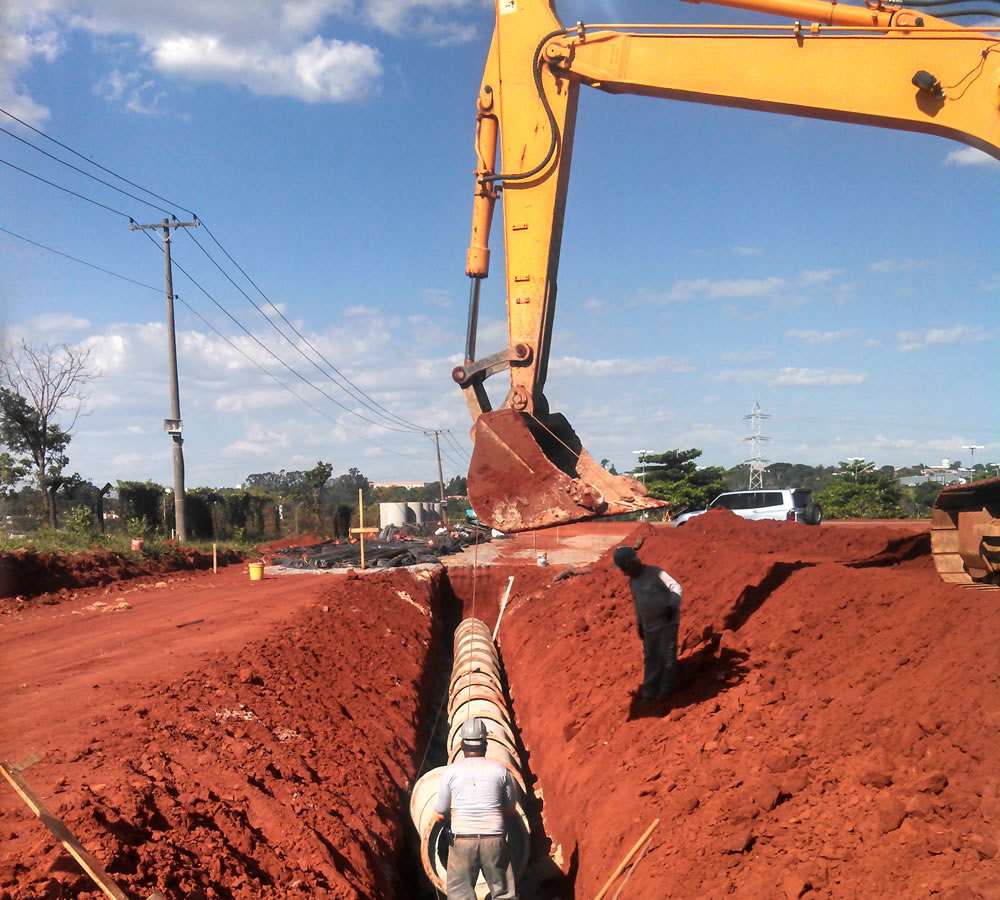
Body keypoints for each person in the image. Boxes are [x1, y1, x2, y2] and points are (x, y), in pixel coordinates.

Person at [434, 718, 519, 900]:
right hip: (494, 840)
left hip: (462, 841)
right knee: (504, 894)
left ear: (462, 745)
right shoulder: (501, 770)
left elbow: (440, 809)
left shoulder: (451, 772)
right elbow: (511, 809)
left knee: (459, 895)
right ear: (485, 744)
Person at [613, 545, 683, 702]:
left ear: (632, 563)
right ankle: (649, 691)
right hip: (649, 626)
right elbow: (637, 603)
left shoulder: (656, 573)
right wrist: (639, 624)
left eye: (624, 568)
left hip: (667, 622)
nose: (624, 573)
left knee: (667, 656)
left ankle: (666, 691)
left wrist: (672, 606)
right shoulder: (632, 582)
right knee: (650, 657)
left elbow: (676, 587)